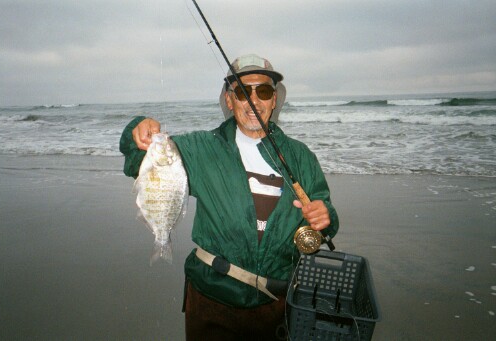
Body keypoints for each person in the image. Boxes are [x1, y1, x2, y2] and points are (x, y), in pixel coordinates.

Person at [119, 54, 339, 340]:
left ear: (275, 99)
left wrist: (326, 217)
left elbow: (325, 218)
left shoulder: (302, 157)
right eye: (243, 92)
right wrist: (138, 127)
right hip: (212, 298)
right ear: (229, 99)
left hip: (278, 304)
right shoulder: (199, 148)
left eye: (264, 91)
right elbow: (138, 160)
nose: (254, 101)